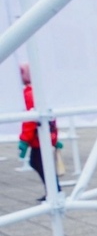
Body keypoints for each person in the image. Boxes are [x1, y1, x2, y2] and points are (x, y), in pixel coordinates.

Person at [17, 63, 63, 201]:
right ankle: (54, 190)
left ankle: (54, 191)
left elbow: (30, 120)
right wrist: (55, 139)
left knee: (38, 163)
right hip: (44, 136)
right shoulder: (39, 92)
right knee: (41, 163)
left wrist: (24, 141)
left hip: (39, 138)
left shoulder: (29, 94)